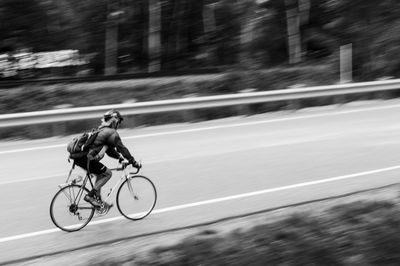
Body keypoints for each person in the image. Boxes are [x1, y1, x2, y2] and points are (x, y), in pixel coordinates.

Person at [73, 109, 141, 209]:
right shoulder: (111, 132)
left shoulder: (101, 130)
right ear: (114, 120)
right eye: (118, 122)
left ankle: (99, 202)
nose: (119, 124)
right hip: (86, 159)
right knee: (107, 173)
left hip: (80, 158)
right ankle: (90, 196)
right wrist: (133, 161)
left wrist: (120, 158)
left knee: (99, 174)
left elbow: (109, 150)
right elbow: (121, 148)